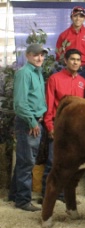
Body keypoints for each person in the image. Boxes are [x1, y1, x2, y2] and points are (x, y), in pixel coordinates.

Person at [41, 49, 85, 203]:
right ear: (65, 61)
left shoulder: (82, 82)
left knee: (71, 163)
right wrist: (50, 126)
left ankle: (65, 195)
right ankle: (46, 195)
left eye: (78, 60)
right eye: (72, 59)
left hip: (77, 130)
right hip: (58, 126)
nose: (75, 62)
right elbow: (49, 104)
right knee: (53, 162)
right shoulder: (55, 79)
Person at [9, 44, 48, 211]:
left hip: (35, 121)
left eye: (42, 55)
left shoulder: (37, 72)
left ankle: (15, 195)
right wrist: (32, 122)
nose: (39, 58)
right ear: (27, 55)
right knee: (27, 162)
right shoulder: (24, 73)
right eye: (35, 55)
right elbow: (20, 104)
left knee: (24, 160)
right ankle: (23, 201)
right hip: (28, 123)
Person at [56, 6, 85, 81]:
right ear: (71, 17)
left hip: (84, 70)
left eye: (81, 16)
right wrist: (68, 64)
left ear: (84, 18)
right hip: (68, 70)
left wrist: (84, 62)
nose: (78, 19)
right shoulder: (63, 35)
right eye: (75, 16)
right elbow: (59, 53)